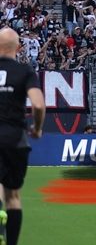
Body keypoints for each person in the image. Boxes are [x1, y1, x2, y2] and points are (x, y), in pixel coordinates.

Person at [0, 28, 43, 245]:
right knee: (14, 198)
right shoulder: (25, 71)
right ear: (18, 47)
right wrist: (37, 127)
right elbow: (37, 103)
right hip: (16, 139)